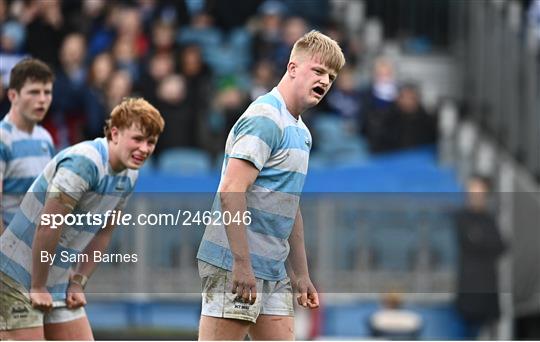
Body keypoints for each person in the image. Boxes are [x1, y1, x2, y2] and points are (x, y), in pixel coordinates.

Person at [196, 30, 345, 340]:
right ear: (292, 68)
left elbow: (288, 205)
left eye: (330, 76)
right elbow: (230, 190)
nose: (325, 81)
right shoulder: (266, 118)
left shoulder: (302, 132)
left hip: (273, 268)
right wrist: (241, 264)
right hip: (234, 263)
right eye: (318, 70)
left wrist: (301, 274)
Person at [0, 98, 164, 340]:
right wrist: (38, 286)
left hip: (55, 281)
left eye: (151, 142)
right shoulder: (83, 163)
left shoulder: (130, 175)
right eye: (137, 139)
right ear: (115, 133)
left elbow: (103, 234)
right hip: (15, 276)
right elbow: (49, 225)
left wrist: (78, 281)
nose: (145, 149)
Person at [0, 58, 55, 235]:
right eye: (33, 92)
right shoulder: (2, 138)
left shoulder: (45, 138)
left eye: (47, 92)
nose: (42, 100)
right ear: (13, 96)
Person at [455, 175, 505, 339]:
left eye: (479, 191)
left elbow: (501, 246)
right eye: (472, 190)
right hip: (468, 295)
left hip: (487, 293)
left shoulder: (489, 219)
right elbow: (471, 240)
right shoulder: (461, 218)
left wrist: (481, 240)